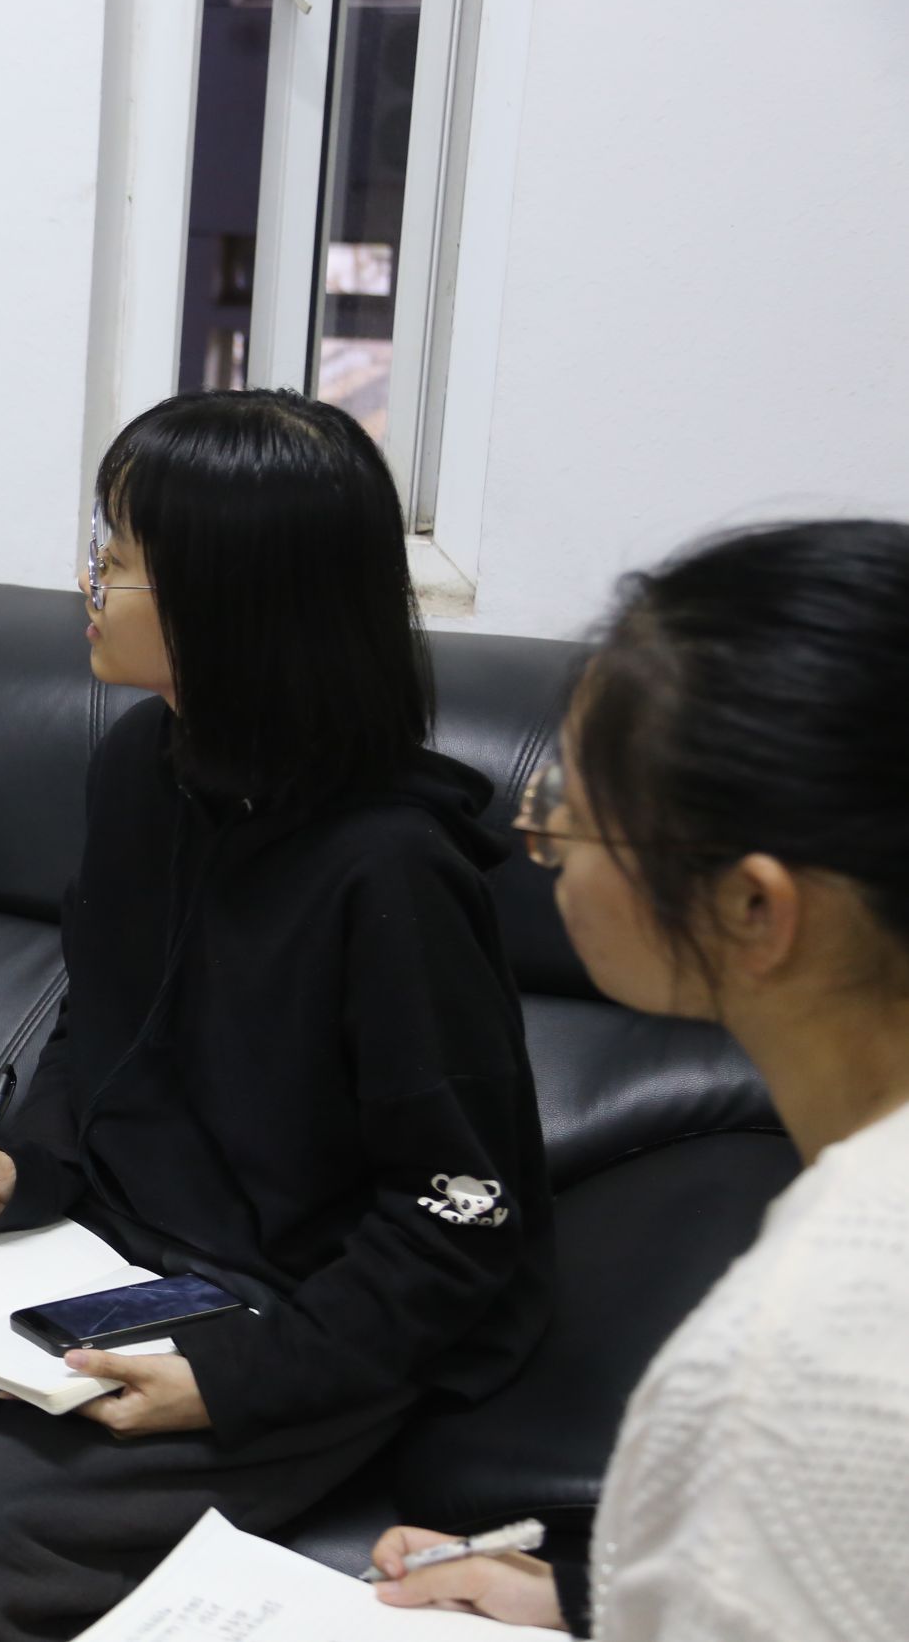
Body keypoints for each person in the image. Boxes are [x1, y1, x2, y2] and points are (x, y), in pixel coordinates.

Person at [0, 388, 554, 1642]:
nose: (89, 582)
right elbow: (102, 1034)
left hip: (300, 1314)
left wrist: (232, 1380)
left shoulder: (393, 871)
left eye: (116, 558)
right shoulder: (139, 770)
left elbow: (456, 1226)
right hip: (118, 1255)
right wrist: (24, 1166)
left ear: (232, 603)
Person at [368, 520, 909, 1640]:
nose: (539, 825)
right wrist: (591, 1601)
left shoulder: (794, 1367)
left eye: (579, 795)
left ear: (753, 908)